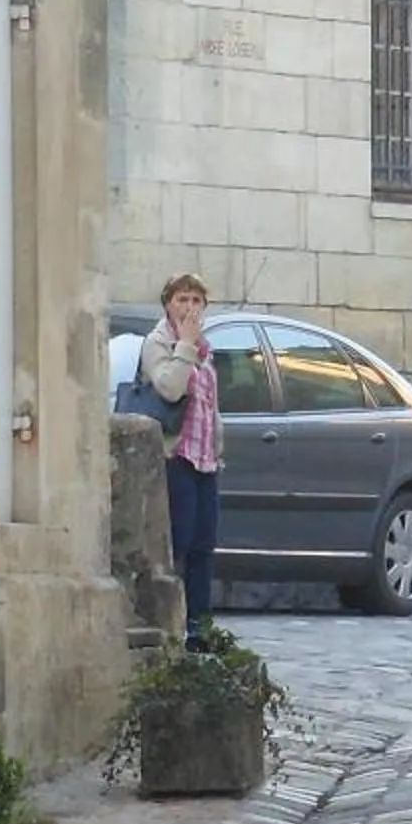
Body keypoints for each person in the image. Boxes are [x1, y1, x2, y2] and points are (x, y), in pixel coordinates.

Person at [140, 271, 224, 649]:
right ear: (167, 304)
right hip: (176, 455)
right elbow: (170, 389)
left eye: (196, 301)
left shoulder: (205, 351)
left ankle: (200, 627)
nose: (189, 308)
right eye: (182, 300)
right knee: (181, 542)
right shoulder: (158, 342)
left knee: (205, 544)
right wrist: (185, 347)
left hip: (205, 458)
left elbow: (211, 406)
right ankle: (173, 623)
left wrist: (219, 449)